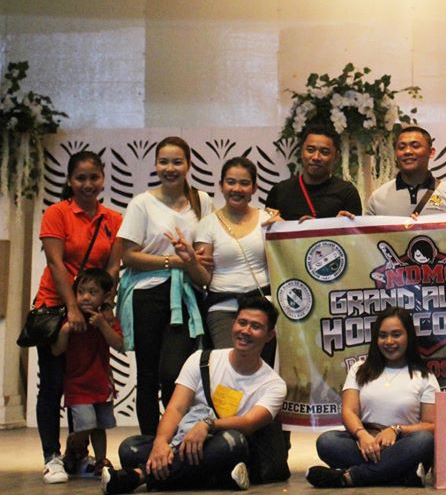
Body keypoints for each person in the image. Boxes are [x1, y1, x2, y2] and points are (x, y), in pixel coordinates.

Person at [102, 296, 287, 493]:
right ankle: (218, 478)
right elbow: (176, 408)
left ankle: (140, 476)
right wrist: (161, 442)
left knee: (231, 443)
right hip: (186, 443)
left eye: (255, 326)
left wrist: (207, 425)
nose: (245, 331)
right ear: (233, 324)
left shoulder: (274, 385)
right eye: (242, 323)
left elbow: (248, 423)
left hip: (225, 446)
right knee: (129, 448)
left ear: (270, 335)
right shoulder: (201, 359)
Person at [35, 150, 123, 484]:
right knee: (53, 383)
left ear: (103, 179)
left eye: (94, 177)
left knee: (85, 384)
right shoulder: (57, 213)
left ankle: (78, 454)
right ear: (70, 181)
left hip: (91, 311)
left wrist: (106, 305)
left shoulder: (113, 219)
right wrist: (72, 307)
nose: (88, 184)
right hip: (55, 308)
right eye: (81, 178)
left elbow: (112, 268)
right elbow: (56, 263)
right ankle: (51, 456)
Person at [116, 136, 214, 436]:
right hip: (147, 294)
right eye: (163, 162)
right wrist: (174, 261)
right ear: (156, 165)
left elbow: (204, 253)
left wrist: (190, 263)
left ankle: (174, 438)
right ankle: (149, 442)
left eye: (177, 162)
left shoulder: (202, 201)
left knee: (175, 372)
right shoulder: (141, 204)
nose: (170, 168)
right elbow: (128, 255)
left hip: (186, 295)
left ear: (188, 165)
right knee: (147, 374)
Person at [307, 307, 438, 488]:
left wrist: (396, 430)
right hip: (365, 444)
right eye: (383, 335)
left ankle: (350, 477)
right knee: (327, 442)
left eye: (396, 334)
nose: (389, 341)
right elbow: (349, 411)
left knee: (424, 441)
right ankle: (402, 475)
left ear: (409, 336)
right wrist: (362, 435)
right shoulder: (359, 369)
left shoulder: (425, 376)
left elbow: (431, 425)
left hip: (403, 444)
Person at [168, 157, 274, 358]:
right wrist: (190, 260)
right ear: (221, 186)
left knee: (264, 369)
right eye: (231, 182)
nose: (237, 189)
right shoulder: (207, 225)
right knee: (229, 366)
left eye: (244, 183)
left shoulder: (268, 220)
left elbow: (282, 264)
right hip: (223, 308)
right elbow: (204, 279)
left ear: (254, 188)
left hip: (263, 307)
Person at [51, 268, 124, 479]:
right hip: (77, 384)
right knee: (86, 424)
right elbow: (56, 350)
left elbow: (119, 344)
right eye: (81, 292)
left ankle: (101, 460)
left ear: (105, 296)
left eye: (92, 292)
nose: (85, 297)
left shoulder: (106, 319)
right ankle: (73, 446)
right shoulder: (70, 319)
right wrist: (66, 330)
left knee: (100, 426)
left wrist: (102, 324)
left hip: (101, 383)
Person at [264, 125, 362, 221]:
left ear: (336, 157)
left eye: (324, 152)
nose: (316, 157)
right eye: (310, 150)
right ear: (301, 152)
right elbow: (267, 228)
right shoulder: (280, 191)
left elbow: (355, 231)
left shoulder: (347, 193)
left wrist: (337, 225)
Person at [366, 126, 446, 216]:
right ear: (395, 154)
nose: (407, 151)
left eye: (415, 146)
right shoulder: (378, 198)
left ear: (431, 152)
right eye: (401, 147)